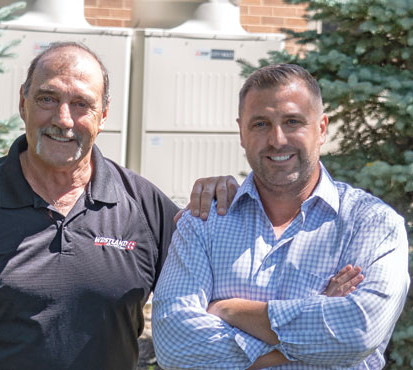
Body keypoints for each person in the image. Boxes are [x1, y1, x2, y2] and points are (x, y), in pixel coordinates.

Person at [0, 42, 237, 370]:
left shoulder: (144, 206)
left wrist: (232, 199)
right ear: (23, 102)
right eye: (47, 99)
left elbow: (207, 314)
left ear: (103, 114)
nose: (63, 119)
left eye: (81, 104)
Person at [152, 63, 410, 369]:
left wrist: (232, 311)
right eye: (260, 124)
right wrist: (313, 325)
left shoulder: (372, 224)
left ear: (322, 129)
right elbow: (173, 344)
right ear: (242, 133)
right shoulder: (205, 221)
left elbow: (358, 332)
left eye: (292, 122)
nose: (277, 140)